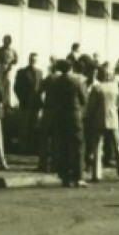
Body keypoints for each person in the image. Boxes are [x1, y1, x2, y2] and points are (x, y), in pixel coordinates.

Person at [47, 59, 87, 187]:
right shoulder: (77, 81)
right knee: (78, 146)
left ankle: (65, 176)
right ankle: (78, 176)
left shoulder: (55, 82)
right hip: (74, 116)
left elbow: (51, 99)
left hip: (60, 116)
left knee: (63, 147)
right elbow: (83, 99)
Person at [85, 65, 119, 182]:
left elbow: (91, 106)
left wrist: (90, 116)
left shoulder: (97, 88)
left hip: (99, 119)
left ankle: (97, 174)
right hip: (113, 118)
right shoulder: (115, 87)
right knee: (118, 146)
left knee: (98, 146)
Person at [14, 52, 44, 155]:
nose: (33, 61)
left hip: (36, 104)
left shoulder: (40, 72)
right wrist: (21, 98)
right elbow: (16, 87)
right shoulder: (21, 72)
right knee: (24, 127)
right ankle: (23, 148)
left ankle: (32, 148)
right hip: (25, 103)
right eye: (31, 59)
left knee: (34, 126)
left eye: (35, 60)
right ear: (29, 59)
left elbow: (41, 87)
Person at [0, 34, 19, 109]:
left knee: (9, 84)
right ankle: (1, 102)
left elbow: (16, 59)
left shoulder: (13, 50)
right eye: (5, 40)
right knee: (2, 84)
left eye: (8, 41)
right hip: (2, 66)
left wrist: (11, 64)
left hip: (10, 67)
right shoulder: (0, 49)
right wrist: (3, 64)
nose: (7, 42)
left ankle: (8, 102)